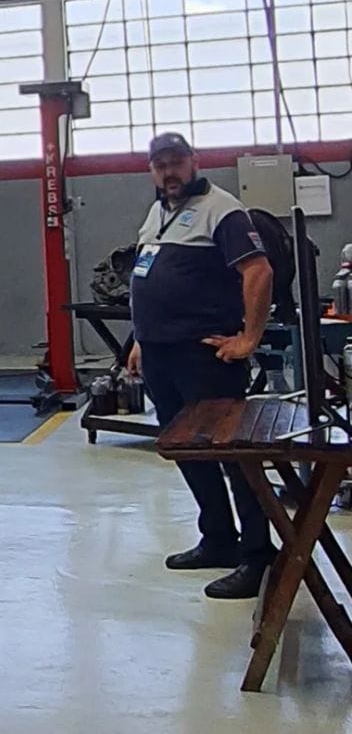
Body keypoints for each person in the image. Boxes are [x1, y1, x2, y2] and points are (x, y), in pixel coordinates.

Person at [125, 132, 277, 599]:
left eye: (176, 162)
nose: (169, 172)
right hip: (160, 354)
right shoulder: (158, 213)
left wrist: (249, 338)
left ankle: (258, 555)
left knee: (232, 455)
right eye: (160, 165)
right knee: (187, 450)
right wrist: (140, 340)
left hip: (204, 356)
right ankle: (218, 539)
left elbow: (259, 272)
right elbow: (148, 277)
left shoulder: (222, 210)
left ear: (194, 162)